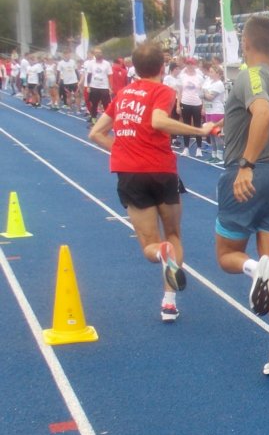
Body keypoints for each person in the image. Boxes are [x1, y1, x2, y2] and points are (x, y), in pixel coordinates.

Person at [87, 42, 215, 322]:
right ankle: (168, 302)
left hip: (130, 175)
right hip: (162, 171)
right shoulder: (163, 91)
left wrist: (123, 151)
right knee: (174, 234)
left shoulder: (122, 95)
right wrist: (199, 131)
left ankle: (161, 253)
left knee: (150, 247)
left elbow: (95, 133)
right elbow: (158, 121)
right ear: (162, 67)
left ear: (134, 67)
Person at [215, 16, 269, 377]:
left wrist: (245, 164)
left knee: (227, 256)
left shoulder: (251, 76)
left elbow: (263, 115)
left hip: (248, 176)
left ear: (245, 44)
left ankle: (251, 269)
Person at [176, 58, 206, 158]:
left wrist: (203, 107)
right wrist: (178, 105)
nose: (189, 66)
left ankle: (199, 148)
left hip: (197, 103)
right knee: (186, 125)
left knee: (197, 125)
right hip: (185, 102)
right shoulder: (182, 76)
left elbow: (203, 92)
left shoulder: (199, 77)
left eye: (191, 64)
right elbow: (179, 92)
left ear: (194, 65)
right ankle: (186, 148)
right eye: (188, 64)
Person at [201, 65, 226, 163]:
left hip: (217, 111)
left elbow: (210, 97)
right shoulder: (209, 82)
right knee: (211, 133)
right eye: (210, 72)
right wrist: (204, 94)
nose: (210, 74)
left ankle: (220, 156)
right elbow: (203, 92)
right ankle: (213, 154)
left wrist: (204, 94)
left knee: (216, 133)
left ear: (218, 74)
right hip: (209, 110)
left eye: (212, 72)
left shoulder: (219, 84)